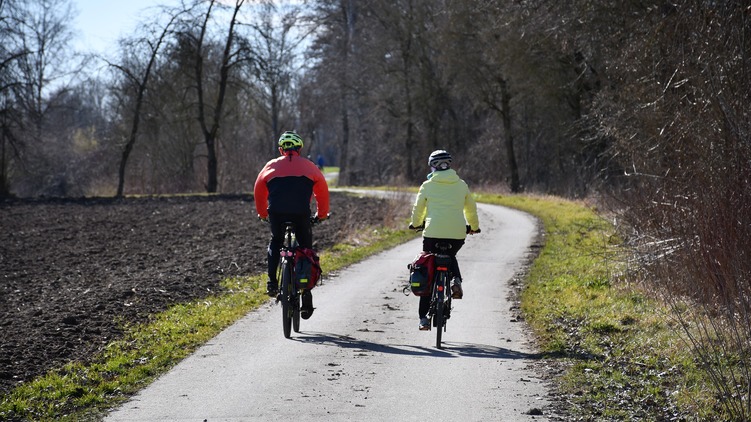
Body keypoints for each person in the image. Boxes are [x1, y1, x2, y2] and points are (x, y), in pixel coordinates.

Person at [254, 131, 330, 320]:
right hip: (301, 214)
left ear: (281, 149)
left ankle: (272, 282)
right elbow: (322, 193)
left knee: (276, 241)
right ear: (299, 149)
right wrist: (320, 215)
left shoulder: (270, 166)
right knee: (305, 249)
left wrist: (264, 214)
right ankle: (306, 294)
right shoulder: (310, 167)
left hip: (277, 214)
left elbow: (259, 191)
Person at [409, 150, 480, 331]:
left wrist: (415, 224)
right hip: (456, 233)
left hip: (432, 232)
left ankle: (423, 318)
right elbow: (471, 208)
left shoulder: (427, 185)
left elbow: (418, 208)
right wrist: (473, 226)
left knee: (429, 270)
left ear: (432, 166)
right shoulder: (461, 185)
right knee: (450, 255)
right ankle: (456, 280)